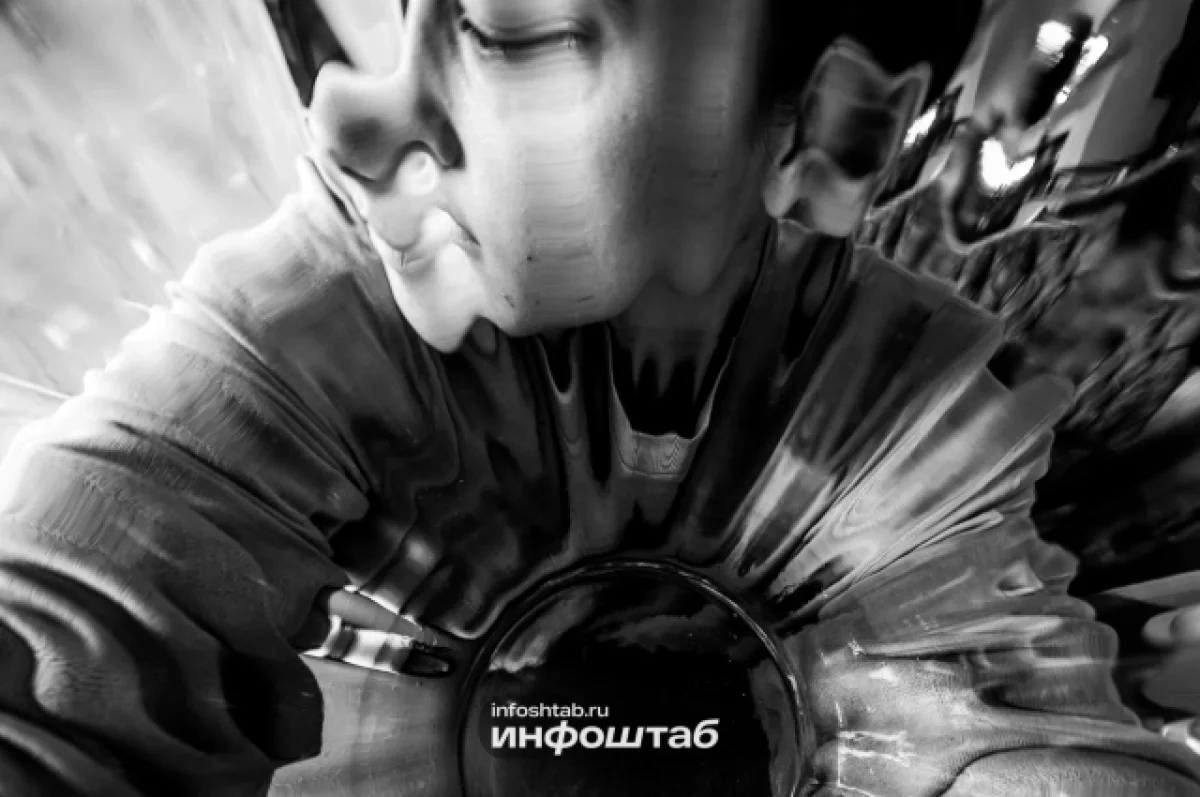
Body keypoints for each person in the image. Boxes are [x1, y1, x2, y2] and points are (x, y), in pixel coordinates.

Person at [0, 1, 1197, 795]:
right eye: (410, 20)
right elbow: (69, 622)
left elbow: (1014, 733)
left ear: (813, 127)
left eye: (507, 34)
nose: (346, 115)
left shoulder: (912, 390)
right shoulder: (322, 297)